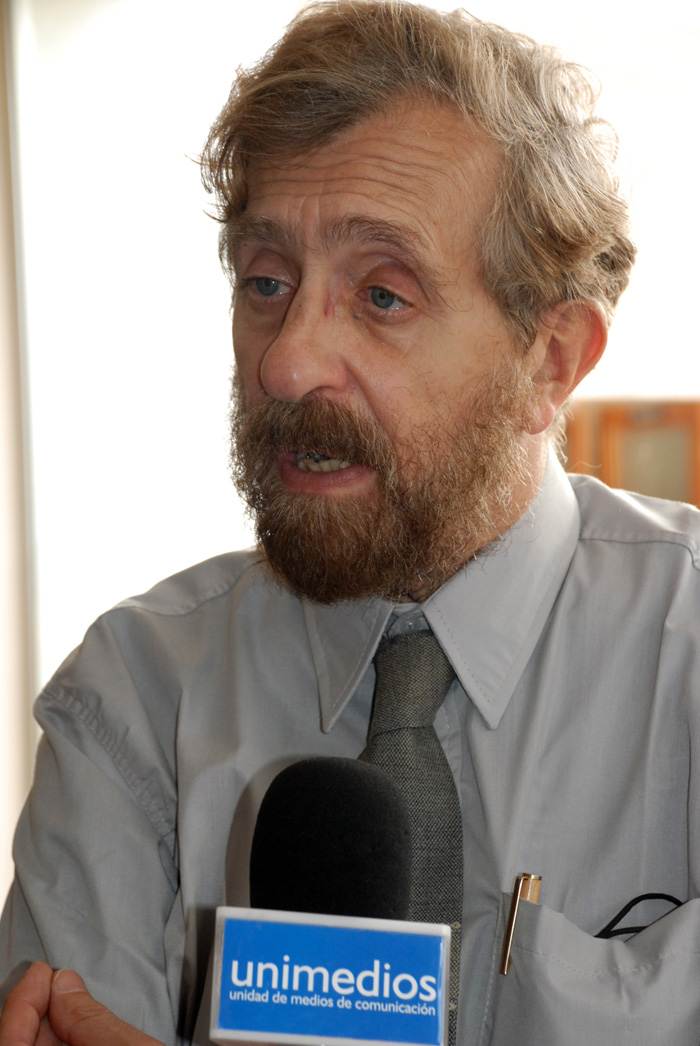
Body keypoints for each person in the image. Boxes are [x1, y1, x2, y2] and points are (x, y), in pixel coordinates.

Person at [2, 2, 700, 1044]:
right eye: (265, 281)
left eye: (381, 294)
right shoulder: (136, 699)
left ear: (549, 360)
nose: (284, 361)